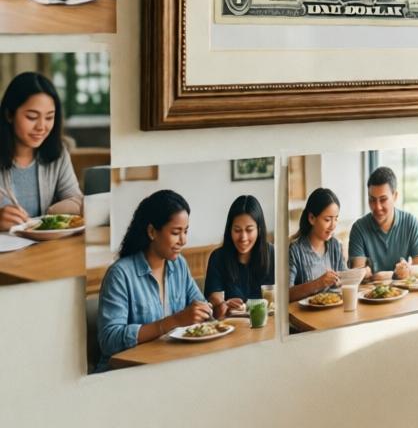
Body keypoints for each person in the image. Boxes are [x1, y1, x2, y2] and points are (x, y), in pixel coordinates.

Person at [96, 190, 210, 372]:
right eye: (176, 232)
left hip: (168, 364)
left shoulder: (179, 264)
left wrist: (214, 310)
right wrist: (173, 321)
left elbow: (199, 305)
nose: (184, 240)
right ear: (151, 231)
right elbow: (109, 341)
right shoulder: (120, 274)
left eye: (186, 231)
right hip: (125, 373)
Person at [0, 72, 82, 230]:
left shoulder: (58, 153)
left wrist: (57, 210)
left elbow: (75, 199)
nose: (41, 127)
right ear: (9, 114)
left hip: (46, 249)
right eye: (31, 117)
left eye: (49, 117)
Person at [348, 166, 418, 280]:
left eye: (383, 199)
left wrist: (407, 270)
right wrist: (364, 272)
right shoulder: (359, 228)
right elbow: (358, 272)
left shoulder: (411, 222)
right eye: (372, 200)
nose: (377, 207)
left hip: (404, 292)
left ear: (395, 196)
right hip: (370, 295)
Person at [204, 195, 274, 319]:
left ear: (259, 229)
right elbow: (215, 300)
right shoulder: (218, 258)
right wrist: (221, 305)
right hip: (232, 329)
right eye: (237, 230)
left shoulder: (272, 254)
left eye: (249, 230)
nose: (243, 238)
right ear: (229, 230)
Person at [287, 188, 346, 302]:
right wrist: (318, 283)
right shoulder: (295, 250)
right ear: (312, 218)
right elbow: (285, 294)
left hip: (334, 311)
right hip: (306, 315)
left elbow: (344, 278)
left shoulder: (335, 245)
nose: (333, 226)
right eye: (327, 219)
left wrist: (361, 273)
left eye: (336, 219)